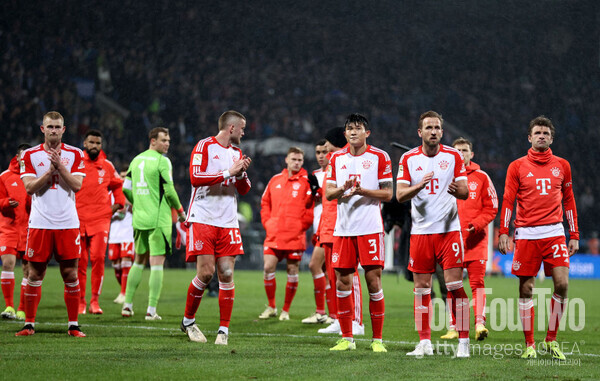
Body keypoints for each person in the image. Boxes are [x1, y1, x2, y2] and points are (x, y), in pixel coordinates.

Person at [498, 116, 579, 360]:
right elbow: (508, 200)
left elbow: (569, 200)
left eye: (546, 133)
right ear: (530, 137)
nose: (541, 135)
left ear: (551, 138)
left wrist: (573, 234)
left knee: (563, 285)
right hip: (527, 234)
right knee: (526, 288)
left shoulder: (562, 165)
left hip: (554, 232)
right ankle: (529, 344)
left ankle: (551, 340)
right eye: (537, 132)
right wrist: (503, 231)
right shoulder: (517, 166)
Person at [396, 110, 471, 358]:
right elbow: (399, 195)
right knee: (421, 289)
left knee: (454, 286)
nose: (434, 131)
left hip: (448, 232)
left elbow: (464, 192)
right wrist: (419, 185)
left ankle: (463, 343)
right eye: (429, 128)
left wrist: (456, 191)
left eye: (437, 128)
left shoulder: (453, 156)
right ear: (420, 132)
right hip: (421, 233)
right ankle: (425, 342)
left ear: (442, 131)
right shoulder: (408, 158)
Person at [180, 110, 251, 346]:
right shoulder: (204, 146)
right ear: (231, 128)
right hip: (203, 217)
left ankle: (223, 331)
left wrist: (240, 175)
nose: (244, 132)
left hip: (228, 221)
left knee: (227, 273)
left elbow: (244, 189)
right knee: (206, 273)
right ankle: (188, 321)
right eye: (242, 127)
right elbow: (195, 177)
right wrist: (228, 172)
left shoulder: (237, 153)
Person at [326, 113, 392, 353]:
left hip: (370, 229)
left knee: (373, 282)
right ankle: (347, 338)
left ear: (367, 133)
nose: (353, 132)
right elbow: (329, 194)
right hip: (343, 230)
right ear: (345, 134)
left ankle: (377, 340)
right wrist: (343, 189)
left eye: (358, 128)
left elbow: (388, 194)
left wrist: (362, 190)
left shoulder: (379, 157)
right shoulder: (336, 159)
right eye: (350, 129)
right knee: (342, 283)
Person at [16, 111, 86, 337]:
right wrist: (49, 172)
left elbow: (77, 186)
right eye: (50, 127)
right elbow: (29, 188)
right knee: (34, 274)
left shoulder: (75, 153)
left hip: (67, 223)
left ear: (64, 130)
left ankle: (73, 326)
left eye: (58, 127)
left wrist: (61, 167)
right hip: (40, 223)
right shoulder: (30, 154)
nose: (54, 130)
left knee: (71, 274)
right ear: (42, 129)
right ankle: (29, 324)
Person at [121, 127, 186, 320]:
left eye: (168, 140)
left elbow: (125, 188)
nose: (167, 144)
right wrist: (181, 213)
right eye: (163, 140)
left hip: (139, 219)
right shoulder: (163, 161)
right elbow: (170, 192)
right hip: (159, 219)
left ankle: (127, 305)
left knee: (138, 262)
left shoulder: (137, 159)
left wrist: (138, 203)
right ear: (153, 141)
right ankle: (151, 310)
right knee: (157, 264)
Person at [440, 137, 498, 341]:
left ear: (471, 154)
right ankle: (453, 327)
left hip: (475, 240)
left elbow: (492, 207)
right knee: (452, 285)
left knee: (477, 283)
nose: (461, 153)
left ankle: (479, 324)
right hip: (451, 240)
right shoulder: (445, 176)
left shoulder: (482, 177)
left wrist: (476, 225)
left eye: (465, 150)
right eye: (458, 150)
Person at [317, 128, 364, 336]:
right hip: (328, 228)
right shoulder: (333, 162)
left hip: (343, 226)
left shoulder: (346, 159)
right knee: (333, 277)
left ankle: (357, 321)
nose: (323, 147)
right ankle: (339, 317)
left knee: (349, 274)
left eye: (326, 142)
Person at [259, 147, 314, 321]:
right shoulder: (275, 179)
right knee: (268, 268)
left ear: (303, 162)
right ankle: (271, 306)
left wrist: (300, 226)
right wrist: (268, 223)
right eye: (294, 159)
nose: (296, 162)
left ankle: (285, 310)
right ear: (287, 160)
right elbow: (265, 202)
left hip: (295, 236)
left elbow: (311, 208)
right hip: (274, 234)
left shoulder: (307, 181)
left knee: (292, 270)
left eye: (299, 160)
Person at [76, 130, 125, 314]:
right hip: (78, 220)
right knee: (80, 263)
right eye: (91, 142)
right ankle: (80, 301)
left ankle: (94, 301)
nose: (95, 146)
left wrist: (114, 207)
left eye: (98, 143)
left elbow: (117, 187)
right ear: (85, 143)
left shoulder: (107, 166)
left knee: (97, 259)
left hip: (100, 221)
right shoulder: (76, 163)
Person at [302, 139, 333, 324]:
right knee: (325, 271)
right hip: (317, 228)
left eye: (324, 152)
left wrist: (320, 191)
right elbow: (308, 203)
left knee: (314, 265)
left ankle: (323, 312)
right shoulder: (314, 174)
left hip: (329, 228)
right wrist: (312, 192)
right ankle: (331, 315)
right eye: (318, 152)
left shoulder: (335, 173)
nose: (321, 156)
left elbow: (330, 197)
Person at [0, 143, 31, 320]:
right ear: (17, 157)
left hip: (28, 230)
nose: (24, 159)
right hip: (9, 228)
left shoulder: (35, 177)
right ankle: (9, 306)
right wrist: (5, 203)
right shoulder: (4, 176)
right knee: (7, 264)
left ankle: (21, 309)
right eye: (22, 156)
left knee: (28, 270)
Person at [108, 171, 135, 304]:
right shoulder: (111, 193)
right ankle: (123, 290)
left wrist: (129, 205)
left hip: (127, 233)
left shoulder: (132, 193)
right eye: (121, 177)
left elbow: (137, 208)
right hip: (114, 233)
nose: (123, 179)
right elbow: (106, 210)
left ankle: (124, 293)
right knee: (116, 266)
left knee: (126, 263)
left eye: (126, 177)